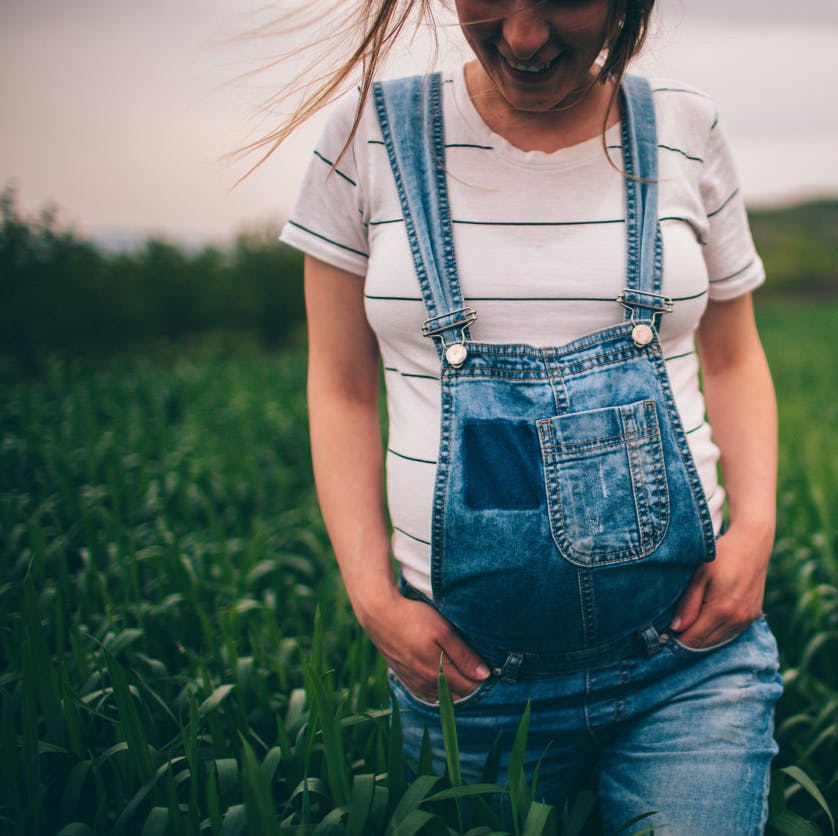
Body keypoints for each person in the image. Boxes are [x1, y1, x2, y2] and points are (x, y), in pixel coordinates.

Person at [277, 0, 782, 831]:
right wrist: (372, 597)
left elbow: (733, 356)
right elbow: (338, 386)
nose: (522, 36)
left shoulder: (687, 127)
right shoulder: (367, 132)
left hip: (688, 662)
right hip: (467, 682)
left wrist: (755, 528)